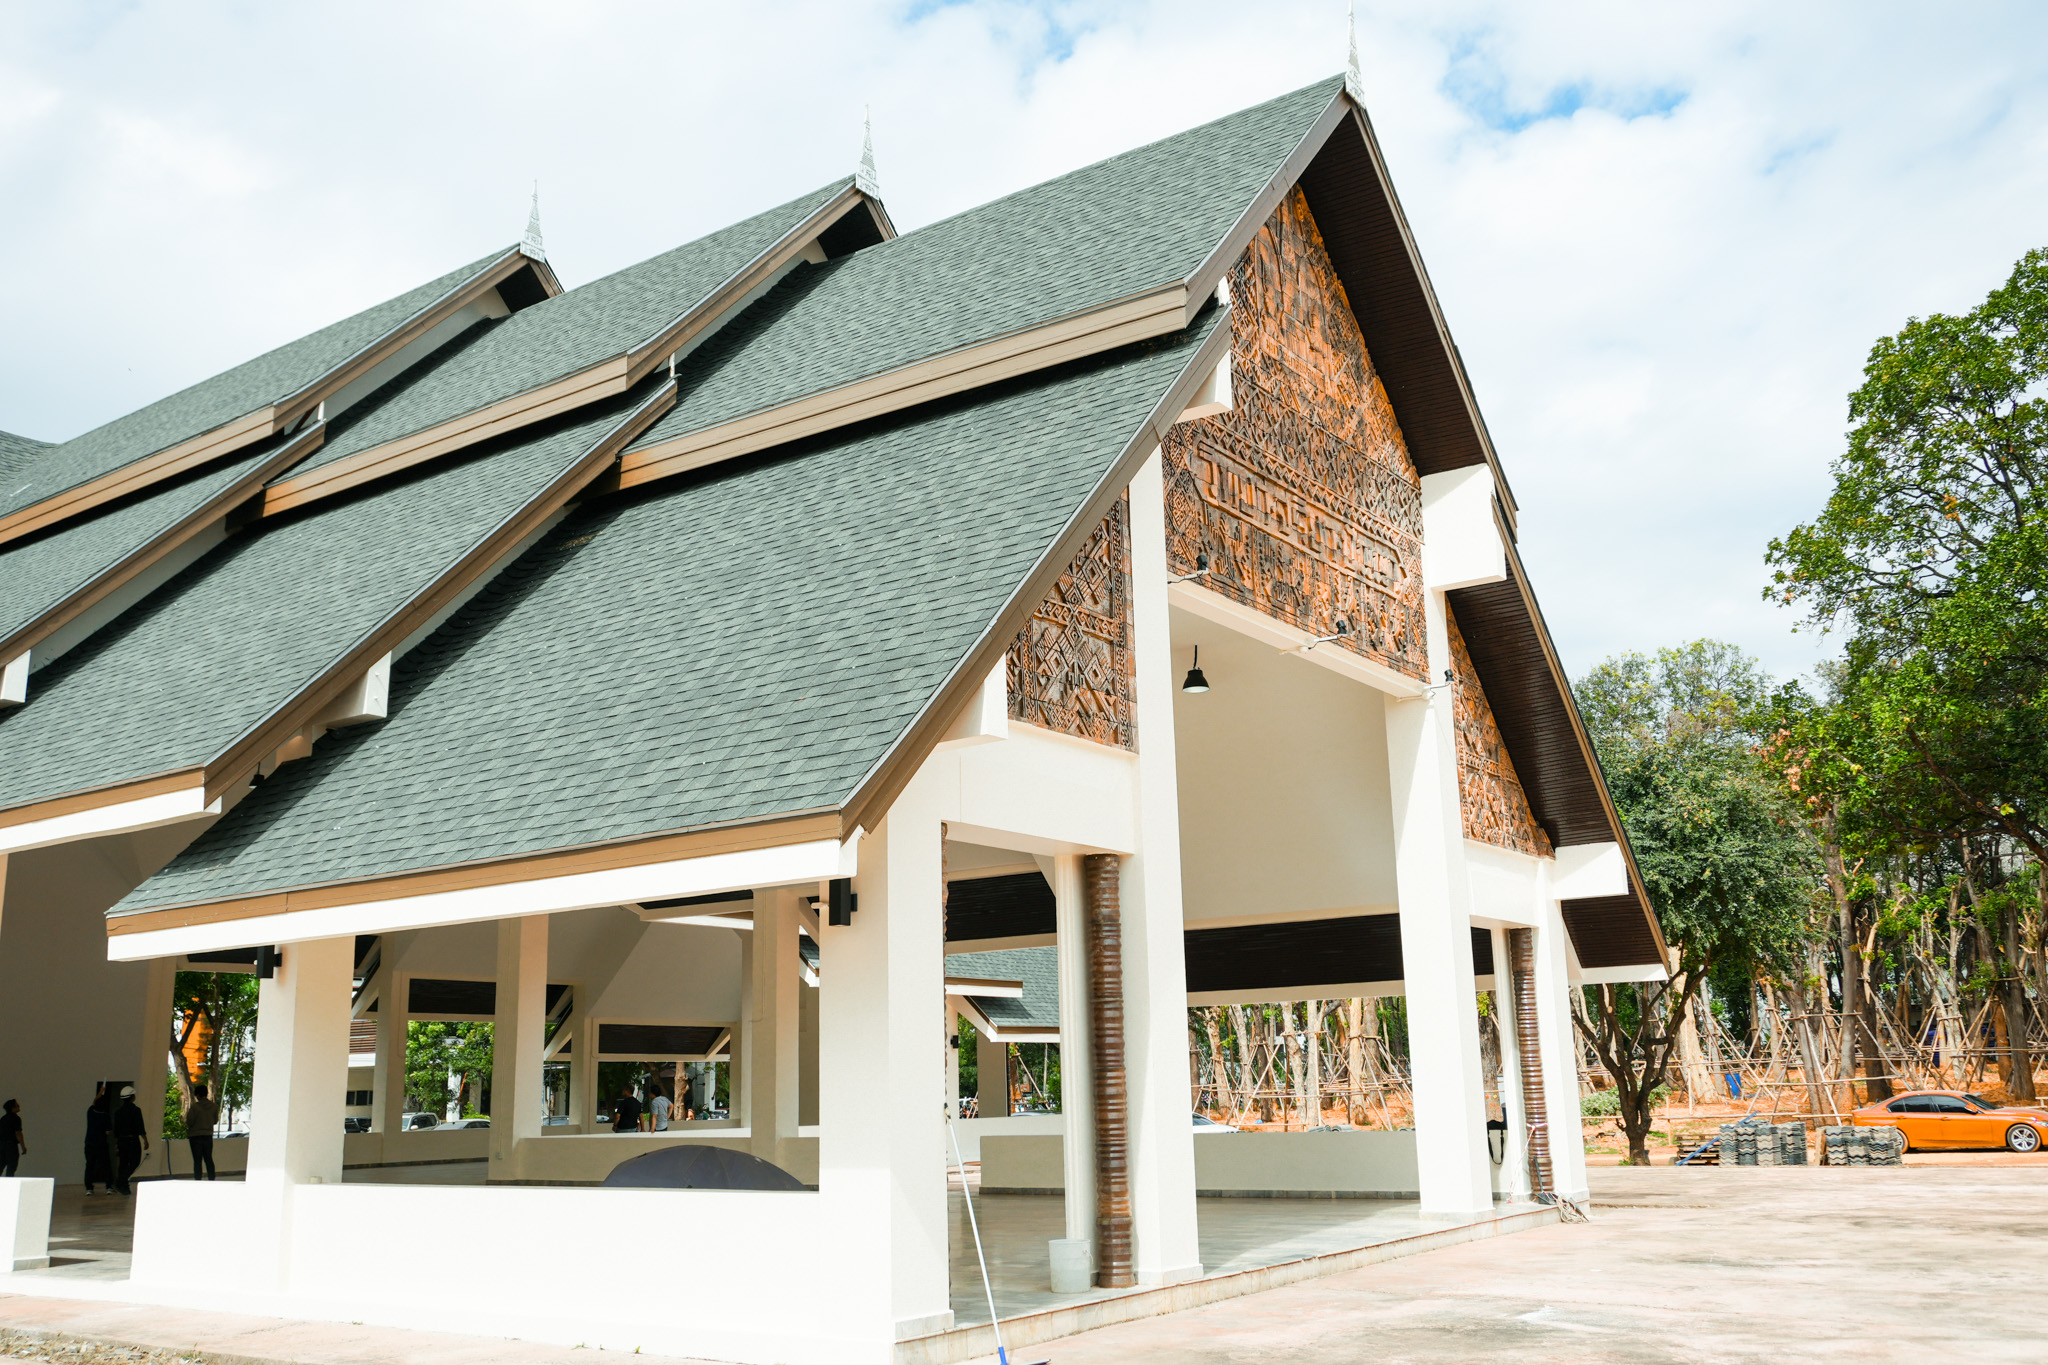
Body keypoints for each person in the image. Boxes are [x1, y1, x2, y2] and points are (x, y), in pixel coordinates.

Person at [112, 1085, 149, 1195]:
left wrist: (117, 1142)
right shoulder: (136, 1110)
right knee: (134, 1162)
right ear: (132, 1097)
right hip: (133, 1140)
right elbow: (140, 1126)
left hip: (122, 1140)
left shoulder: (118, 1112)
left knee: (123, 1163)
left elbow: (116, 1129)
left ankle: (123, 1185)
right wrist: (145, 1140)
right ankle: (121, 1181)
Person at [184, 1085, 218, 1180]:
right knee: (208, 1159)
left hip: (195, 1136)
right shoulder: (214, 1106)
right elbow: (215, 1121)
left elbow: (190, 1121)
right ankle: (212, 1178)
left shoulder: (195, 1107)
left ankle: (198, 1179)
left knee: (197, 1160)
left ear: (198, 1095)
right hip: (208, 1135)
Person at [82, 1089, 113, 1194]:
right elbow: (108, 1132)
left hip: (89, 1144)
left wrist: (100, 1092)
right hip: (101, 1145)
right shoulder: (105, 1116)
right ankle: (109, 1187)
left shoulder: (90, 1112)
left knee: (89, 1166)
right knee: (106, 1166)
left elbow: (94, 1101)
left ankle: (89, 1188)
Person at [0, 1099, 23, 1177]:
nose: (19, 1107)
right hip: (11, 1145)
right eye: (17, 1105)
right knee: (12, 1166)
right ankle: (9, 1182)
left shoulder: (3, 1118)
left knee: (1, 1164)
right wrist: (23, 1146)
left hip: (1, 1145)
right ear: (13, 1108)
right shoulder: (16, 1118)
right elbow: (18, 1133)